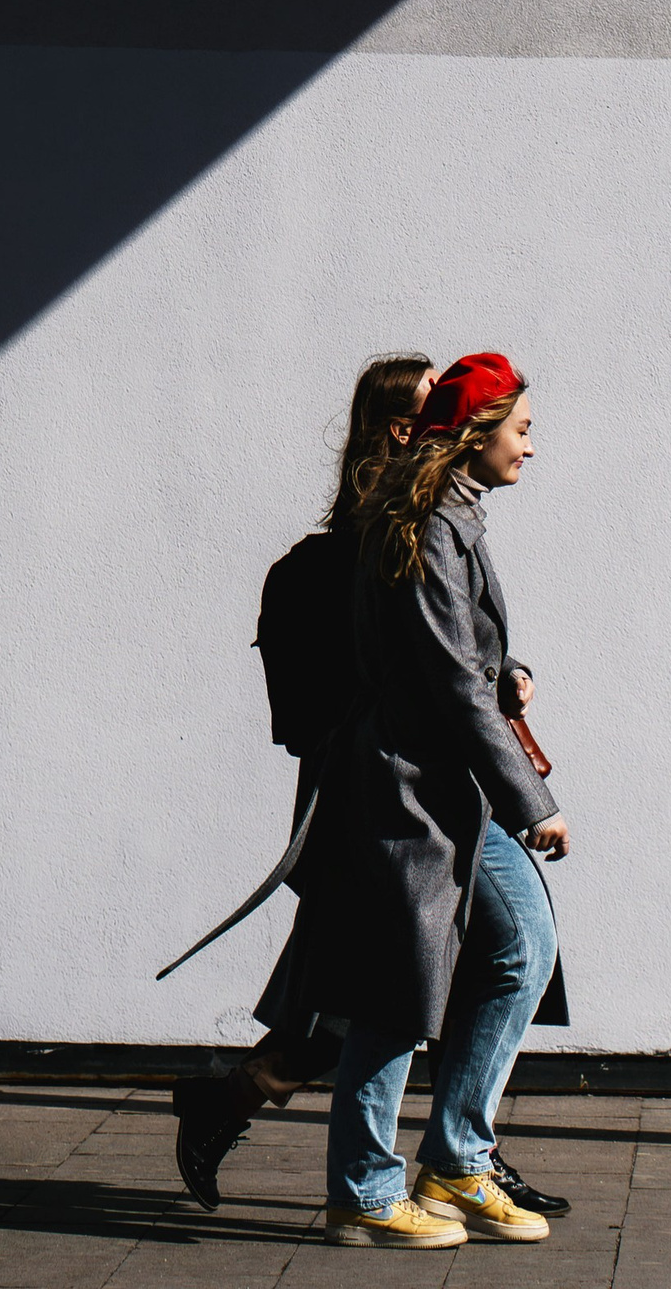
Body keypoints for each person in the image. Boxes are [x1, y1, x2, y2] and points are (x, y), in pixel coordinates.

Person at [260, 352, 573, 1247]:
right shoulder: (430, 521)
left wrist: (503, 670)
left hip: (449, 785)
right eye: (520, 429)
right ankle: (363, 1190)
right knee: (398, 988)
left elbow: (456, 657)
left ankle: (456, 1159)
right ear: (476, 435)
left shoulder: (451, 517)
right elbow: (444, 679)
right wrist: (534, 800)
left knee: (522, 945)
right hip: (407, 787)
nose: (531, 447)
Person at [171, 356, 433, 1209]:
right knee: (363, 1001)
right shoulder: (359, 556)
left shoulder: (410, 534)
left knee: (366, 995)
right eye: (436, 404)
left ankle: (229, 1100)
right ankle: (421, 1166)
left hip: (398, 802)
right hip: (372, 803)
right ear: (400, 427)